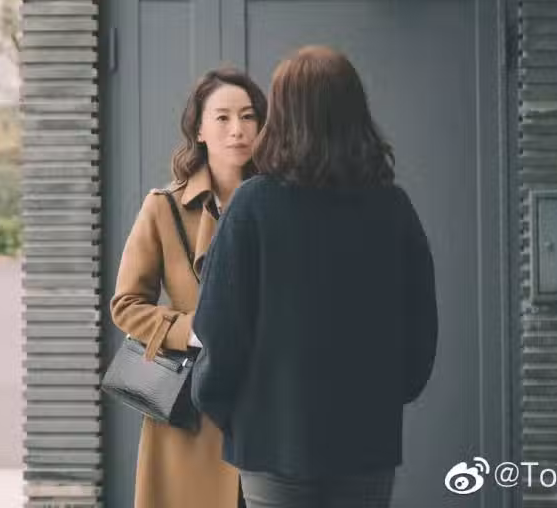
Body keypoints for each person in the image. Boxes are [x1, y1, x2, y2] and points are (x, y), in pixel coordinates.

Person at [190, 45, 439, 508]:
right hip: (367, 439)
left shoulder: (252, 205)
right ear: (355, 114)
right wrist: (382, 397)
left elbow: (219, 332)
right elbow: (420, 330)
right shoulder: (392, 207)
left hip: (270, 442)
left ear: (282, 116)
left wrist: (231, 412)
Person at [110, 67, 269, 508]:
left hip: (268, 405)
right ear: (198, 129)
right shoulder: (163, 207)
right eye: (222, 117)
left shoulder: (283, 203)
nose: (237, 129)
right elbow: (126, 305)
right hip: (191, 415)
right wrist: (196, 329)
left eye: (248, 116)